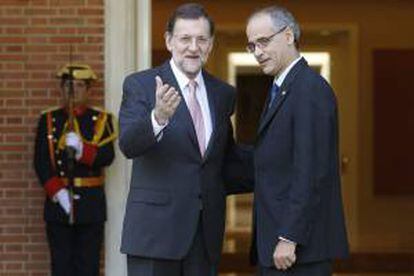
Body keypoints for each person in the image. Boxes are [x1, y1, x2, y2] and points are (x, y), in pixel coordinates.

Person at [118, 3, 252, 276]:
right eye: (185, 39)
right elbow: (128, 144)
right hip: (154, 236)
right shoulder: (140, 85)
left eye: (201, 39)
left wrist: (279, 159)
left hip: (205, 236)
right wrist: (158, 118)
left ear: (211, 44)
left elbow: (224, 159)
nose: (193, 47)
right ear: (169, 41)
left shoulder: (223, 94)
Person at [245, 5, 349, 275]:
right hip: (279, 247)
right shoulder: (282, 87)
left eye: (263, 41)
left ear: (289, 36)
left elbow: (311, 170)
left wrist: (289, 237)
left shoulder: (309, 89)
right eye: (251, 46)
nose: (257, 52)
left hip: (297, 251)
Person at [34, 63, 117, 276]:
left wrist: (82, 151)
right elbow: (41, 161)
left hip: (90, 205)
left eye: (80, 85)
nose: (73, 90)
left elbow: (108, 157)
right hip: (58, 205)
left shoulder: (101, 120)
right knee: (60, 266)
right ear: (62, 88)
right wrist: (57, 192)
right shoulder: (49, 119)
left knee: (88, 266)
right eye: (69, 85)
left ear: (89, 90)